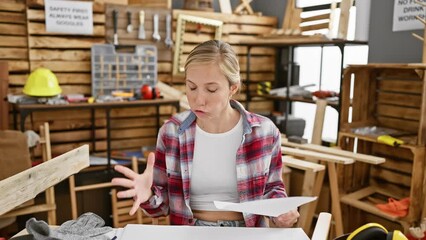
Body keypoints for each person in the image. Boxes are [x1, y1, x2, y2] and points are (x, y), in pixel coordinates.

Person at [111, 40, 299, 228]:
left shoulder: (264, 131)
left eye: (211, 89)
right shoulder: (172, 132)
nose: (198, 100)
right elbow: (161, 207)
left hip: (248, 232)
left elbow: (273, 189)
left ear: (232, 88)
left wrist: (281, 213)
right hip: (190, 232)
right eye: (191, 87)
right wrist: (149, 196)